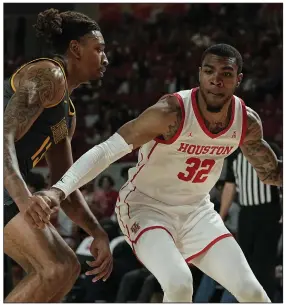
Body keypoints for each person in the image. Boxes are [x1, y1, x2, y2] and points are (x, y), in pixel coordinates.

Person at [30, 44, 282, 302]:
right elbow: (106, 151)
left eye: (226, 73)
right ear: (200, 74)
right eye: (209, 71)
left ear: (238, 79)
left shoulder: (246, 122)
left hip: (197, 212)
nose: (216, 80)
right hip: (146, 208)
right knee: (179, 282)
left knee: (253, 293)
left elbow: (271, 172)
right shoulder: (170, 113)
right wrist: (58, 190)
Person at [4, 8, 112, 302]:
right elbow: (3, 134)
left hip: (10, 183)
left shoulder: (67, 114)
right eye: (98, 49)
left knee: (64, 270)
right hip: (9, 183)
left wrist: (96, 231)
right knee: (55, 268)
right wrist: (23, 198)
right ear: (75, 49)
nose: (105, 58)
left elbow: (65, 183)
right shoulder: (48, 73)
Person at [219, 143, 282, 301]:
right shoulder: (234, 154)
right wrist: (220, 216)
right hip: (246, 213)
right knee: (245, 263)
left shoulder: (270, 148)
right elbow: (229, 186)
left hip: (269, 212)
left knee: (264, 263)